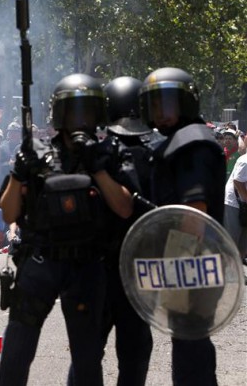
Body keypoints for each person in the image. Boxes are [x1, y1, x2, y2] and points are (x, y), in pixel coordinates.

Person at [0, 73, 135, 386]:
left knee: (87, 357)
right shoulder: (36, 150)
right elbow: (9, 213)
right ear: (60, 114)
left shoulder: (109, 152)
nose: (80, 120)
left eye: (88, 111)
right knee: (17, 348)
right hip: (40, 264)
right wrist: (19, 172)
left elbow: (124, 208)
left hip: (86, 267)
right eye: (74, 111)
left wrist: (96, 166)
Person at [138, 67, 226, 385]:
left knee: (192, 347)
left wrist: (176, 270)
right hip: (189, 262)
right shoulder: (178, 141)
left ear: (187, 104)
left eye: (169, 104)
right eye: (156, 104)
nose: (161, 112)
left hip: (191, 261)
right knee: (188, 341)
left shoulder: (191, 144)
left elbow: (194, 214)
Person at [71, 76, 154, 385]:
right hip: (133, 268)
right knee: (132, 350)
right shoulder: (152, 152)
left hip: (98, 266)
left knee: (88, 352)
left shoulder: (94, 152)